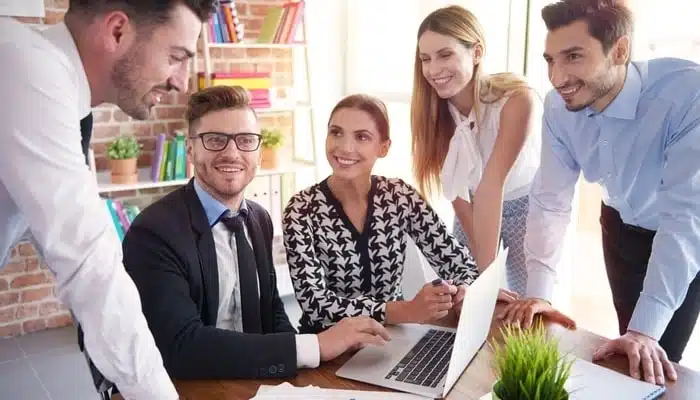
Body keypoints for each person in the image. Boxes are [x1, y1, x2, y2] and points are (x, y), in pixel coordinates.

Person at [0, 1, 215, 398]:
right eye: (176, 57)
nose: (182, 82)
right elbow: (87, 264)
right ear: (117, 30)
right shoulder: (27, 69)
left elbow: (64, 237)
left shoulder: (58, 88)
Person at [121, 85, 391, 380]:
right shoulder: (154, 233)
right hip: (191, 386)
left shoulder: (258, 218)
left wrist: (307, 376)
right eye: (215, 140)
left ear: (259, 151)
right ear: (190, 149)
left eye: (246, 140)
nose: (232, 153)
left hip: (253, 380)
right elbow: (182, 346)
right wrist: (316, 345)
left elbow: (271, 309)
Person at [500, 0, 700, 385]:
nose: (557, 77)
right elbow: (550, 201)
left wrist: (646, 330)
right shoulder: (559, 109)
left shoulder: (687, 96)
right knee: (631, 348)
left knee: (659, 350)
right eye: (550, 60)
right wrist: (540, 291)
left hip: (684, 229)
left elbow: (685, 219)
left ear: (620, 51)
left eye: (573, 56)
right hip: (620, 226)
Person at [282, 93, 518, 335]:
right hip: (326, 347)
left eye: (362, 137)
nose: (344, 147)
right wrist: (406, 311)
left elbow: (459, 263)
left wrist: (464, 290)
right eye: (336, 132)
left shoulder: (398, 195)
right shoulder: (301, 209)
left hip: (393, 337)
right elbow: (316, 306)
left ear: (383, 148)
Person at [410, 5, 542, 297]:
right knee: (465, 294)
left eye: (445, 55)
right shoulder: (435, 113)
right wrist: (484, 280)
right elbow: (459, 193)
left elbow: (491, 184)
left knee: (525, 303)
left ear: (477, 52)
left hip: (524, 208)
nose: (433, 70)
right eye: (426, 59)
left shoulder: (516, 100)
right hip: (471, 207)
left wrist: (486, 280)